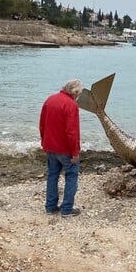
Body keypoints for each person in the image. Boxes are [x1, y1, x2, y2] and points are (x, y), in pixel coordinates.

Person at [39, 79, 84, 217]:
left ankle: (50, 207)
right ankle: (66, 209)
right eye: (79, 94)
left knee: (52, 176)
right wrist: (75, 152)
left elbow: (42, 123)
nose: (78, 97)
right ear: (75, 92)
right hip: (65, 149)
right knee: (71, 177)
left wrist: (43, 141)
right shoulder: (71, 105)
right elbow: (72, 132)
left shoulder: (50, 100)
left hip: (50, 146)